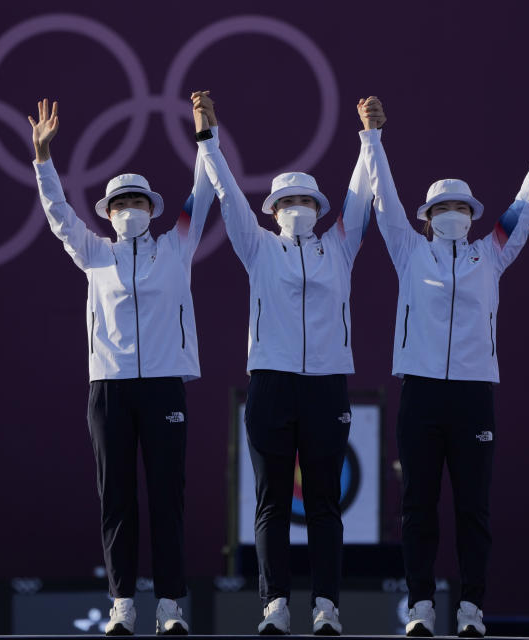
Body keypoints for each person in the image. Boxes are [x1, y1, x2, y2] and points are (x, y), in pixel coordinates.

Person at [357, 95, 529, 637]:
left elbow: (525, 205)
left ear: (472, 216)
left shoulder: (490, 253)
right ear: (427, 220)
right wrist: (372, 138)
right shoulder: (409, 251)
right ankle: (420, 608)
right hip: (422, 393)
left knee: (474, 509)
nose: (452, 217)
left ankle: (472, 609)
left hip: (474, 393)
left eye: (461, 210)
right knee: (418, 507)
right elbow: (383, 200)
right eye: (442, 211)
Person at [28, 95, 217, 636]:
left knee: (167, 501)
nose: (128, 209)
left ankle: (171, 607)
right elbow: (58, 214)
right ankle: (122, 606)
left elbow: (204, 194)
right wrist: (43, 160)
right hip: (108, 390)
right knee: (117, 501)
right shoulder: (94, 253)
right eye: (119, 203)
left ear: (153, 210)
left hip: (163, 389)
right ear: (107, 213)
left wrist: (207, 138)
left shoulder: (176, 246)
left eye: (137, 201)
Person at [192, 92, 376, 636]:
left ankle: (326, 607)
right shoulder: (257, 247)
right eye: (286, 200)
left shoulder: (340, 247)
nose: (297, 206)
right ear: (271, 212)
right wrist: (208, 140)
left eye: (306, 200)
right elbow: (226, 194)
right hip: (270, 383)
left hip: (325, 385)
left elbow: (363, 195)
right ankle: (274, 603)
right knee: (272, 502)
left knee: (323, 503)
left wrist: (371, 137)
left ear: (320, 209)